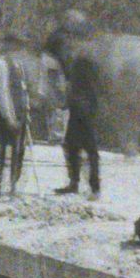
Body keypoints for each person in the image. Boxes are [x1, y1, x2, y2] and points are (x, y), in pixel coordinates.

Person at [0, 38, 34, 197]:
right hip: (3, 116)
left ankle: (13, 186)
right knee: (2, 150)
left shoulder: (18, 65)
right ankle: (0, 186)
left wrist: (27, 110)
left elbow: (23, 90)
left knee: (18, 151)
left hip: (19, 114)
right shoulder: (1, 64)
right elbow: (1, 92)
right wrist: (9, 116)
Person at [54, 47, 103, 199]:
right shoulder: (92, 66)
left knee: (81, 149)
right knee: (81, 149)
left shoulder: (81, 65)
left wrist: (67, 103)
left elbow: (74, 90)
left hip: (81, 111)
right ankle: (87, 186)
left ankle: (83, 185)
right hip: (86, 110)